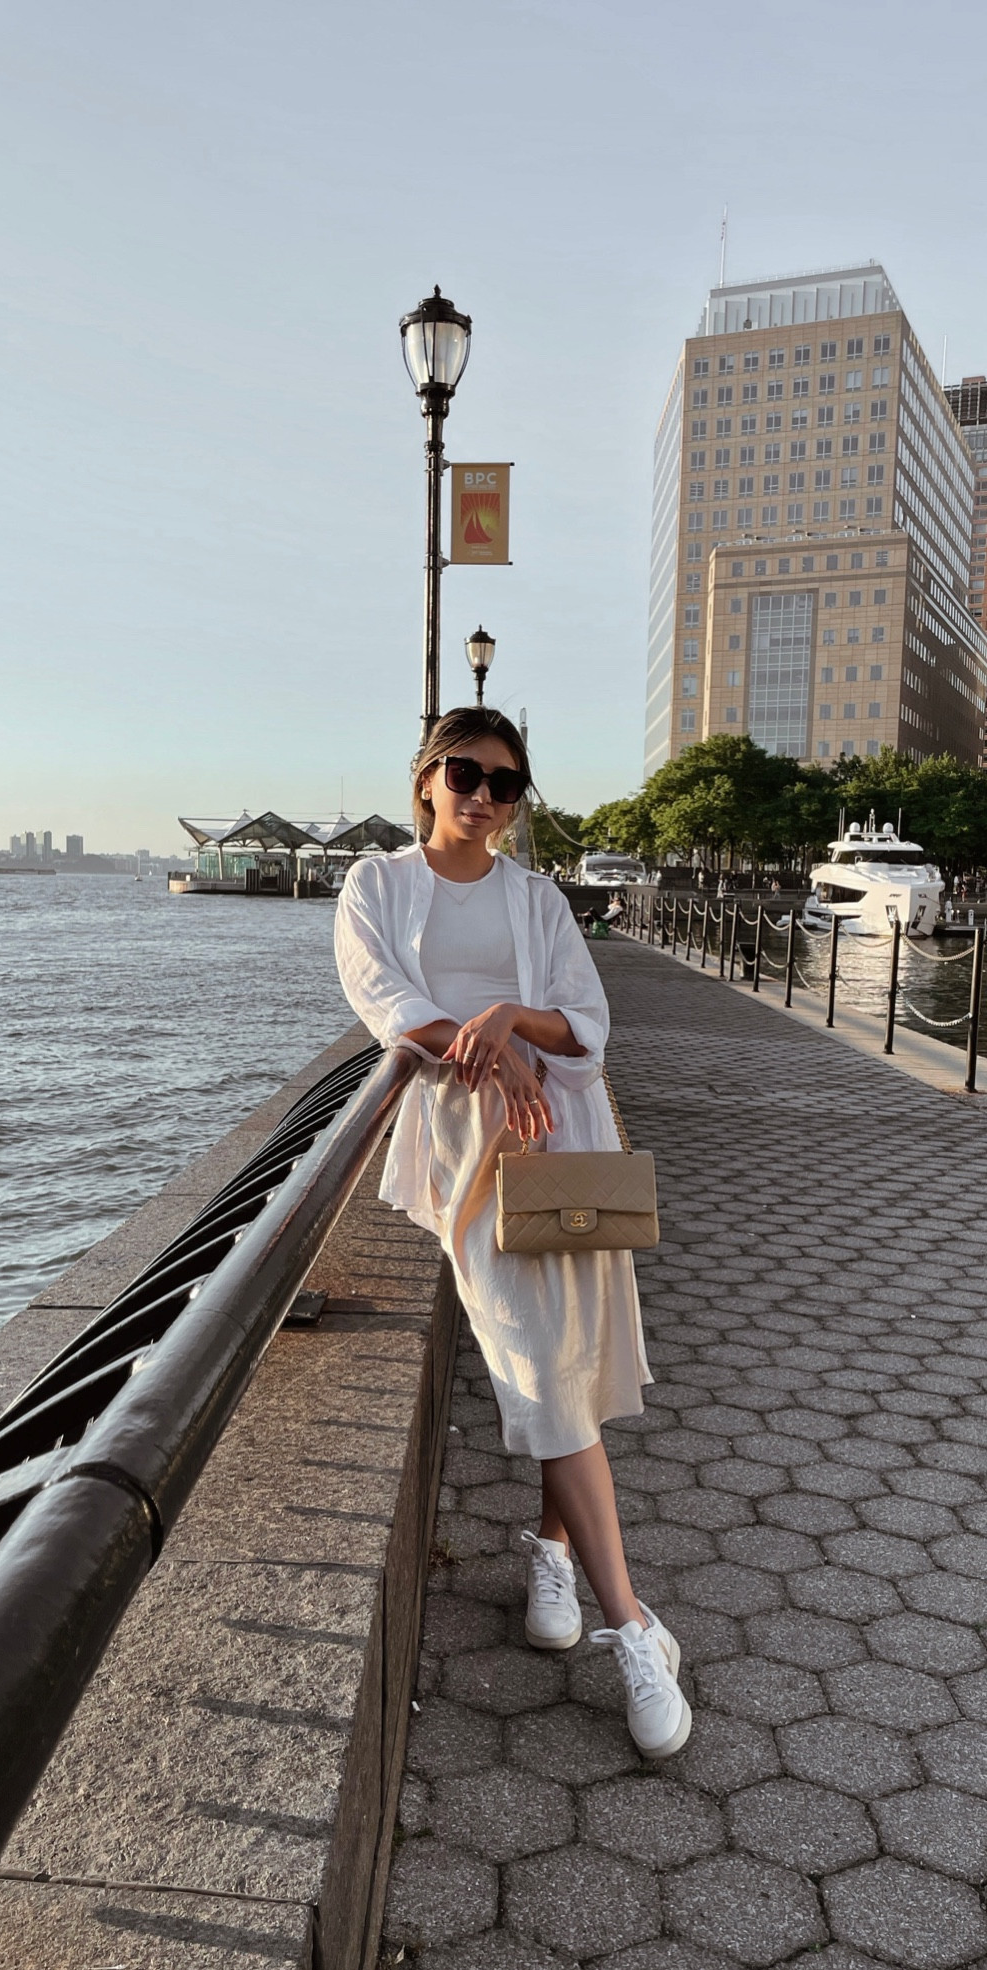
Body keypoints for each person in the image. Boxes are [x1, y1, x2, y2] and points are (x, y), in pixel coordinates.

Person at [334, 706, 690, 1760]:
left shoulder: (535, 897)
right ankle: (633, 1624)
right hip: (465, 1154)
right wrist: (483, 1048)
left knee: (566, 1355)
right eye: (464, 773)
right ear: (425, 779)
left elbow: (586, 1021)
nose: (483, 796)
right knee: (535, 1360)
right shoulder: (376, 885)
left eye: (504, 782)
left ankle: (551, 1550)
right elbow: (385, 1002)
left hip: (556, 1138)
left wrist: (511, 1022)